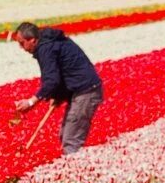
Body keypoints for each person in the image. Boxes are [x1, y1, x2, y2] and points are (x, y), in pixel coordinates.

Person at [13, 22, 103, 155]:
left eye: (22, 43)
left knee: (71, 140)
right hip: (81, 89)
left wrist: (31, 102)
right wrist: (58, 95)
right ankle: (72, 166)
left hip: (86, 91)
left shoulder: (46, 47)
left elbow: (52, 80)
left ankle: (75, 171)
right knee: (65, 135)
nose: (21, 48)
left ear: (32, 40)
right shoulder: (49, 42)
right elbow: (62, 71)